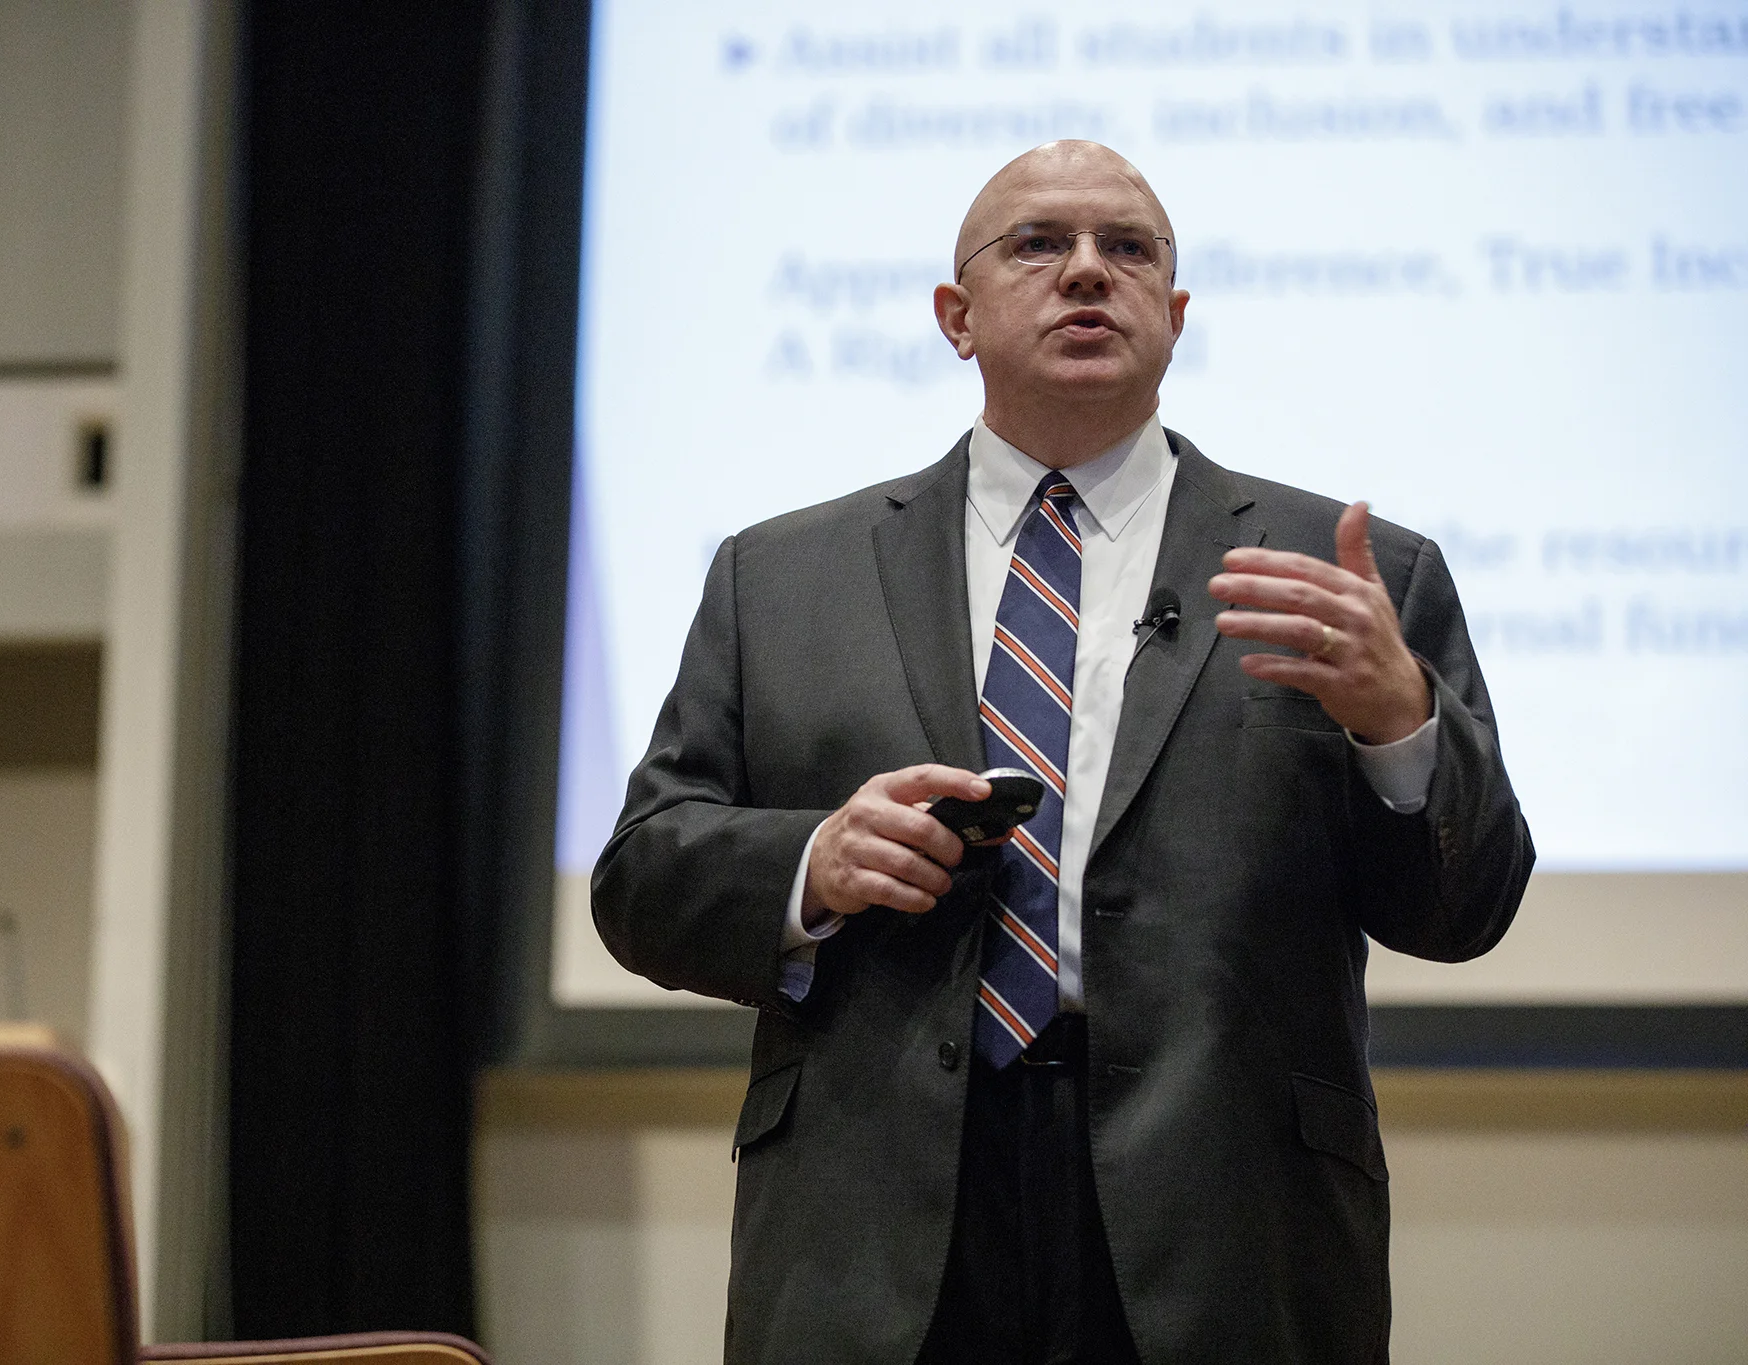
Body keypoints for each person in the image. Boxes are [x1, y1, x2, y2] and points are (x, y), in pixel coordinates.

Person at [592, 140, 1532, 1365]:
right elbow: (640, 879)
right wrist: (811, 863)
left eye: (1126, 249)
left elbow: (1463, 910)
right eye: (1038, 244)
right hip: (874, 1216)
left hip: (1226, 1215)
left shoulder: (1348, 574)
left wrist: (1396, 725)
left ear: (1174, 315)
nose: (1087, 271)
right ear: (955, 316)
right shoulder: (778, 577)